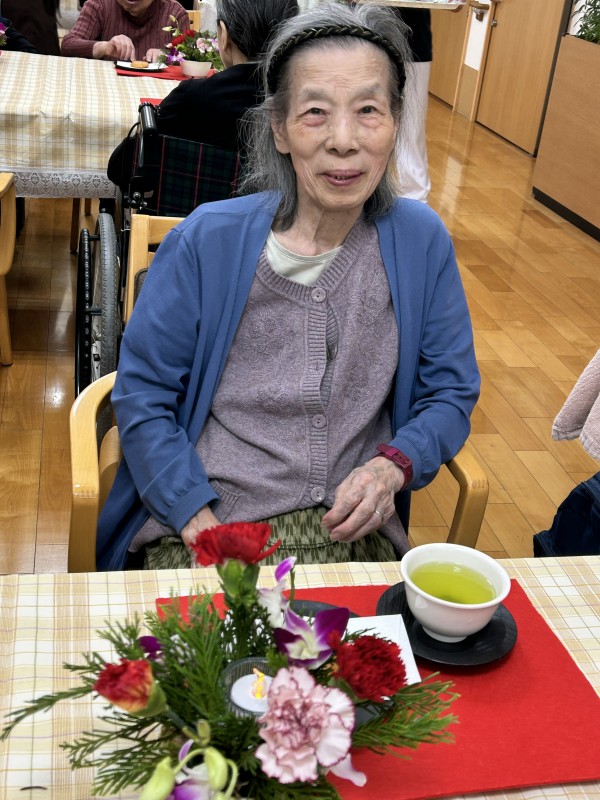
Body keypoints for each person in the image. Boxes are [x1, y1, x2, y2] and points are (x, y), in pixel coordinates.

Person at [96, 1, 480, 571]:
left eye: (368, 110)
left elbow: (450, 390)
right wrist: (194, 518)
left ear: (397, 121)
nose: (344, 140)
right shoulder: (206, 241)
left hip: (351, 537)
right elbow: (143, 395)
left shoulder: (420, 241)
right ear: (278, 128)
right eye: (315, 112)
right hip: (207, 527)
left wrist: (392, 467)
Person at [107, 0, 299, 194]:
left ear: (223, 35)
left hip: (185, 210)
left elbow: (119, 167)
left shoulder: (193, 98)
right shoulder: (298, 102)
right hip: (275, 211)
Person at [61, 0, 189, 62]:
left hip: (158, 95)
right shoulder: (99, 5)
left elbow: (191, 60)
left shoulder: (175, 14)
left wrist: (169, 57)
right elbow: (68, 45)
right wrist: (104, 47)